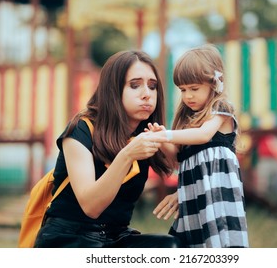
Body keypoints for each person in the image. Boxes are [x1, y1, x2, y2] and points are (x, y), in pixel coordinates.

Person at [34, 50, 182, 248]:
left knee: (172, 247)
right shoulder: (81, 130)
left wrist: (183, 192)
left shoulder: (145, 133)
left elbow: (194, 166)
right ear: (113, 89)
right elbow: (91, 207)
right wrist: (127, 155)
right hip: (69, 239)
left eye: (152, 86)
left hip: (117, 237)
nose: (147, 94)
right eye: (135, 85)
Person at [148, 44, 249, 248]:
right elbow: (176, 156)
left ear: (214, 83)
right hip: (194, 194)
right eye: (183, 90)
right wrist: (158, 138)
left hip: (217, 194)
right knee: (195, 242)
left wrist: (167, 135)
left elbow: (204, 135)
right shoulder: (187, 119)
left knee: (219, 240)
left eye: (194, 89)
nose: (187, 96)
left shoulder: (220, 109)